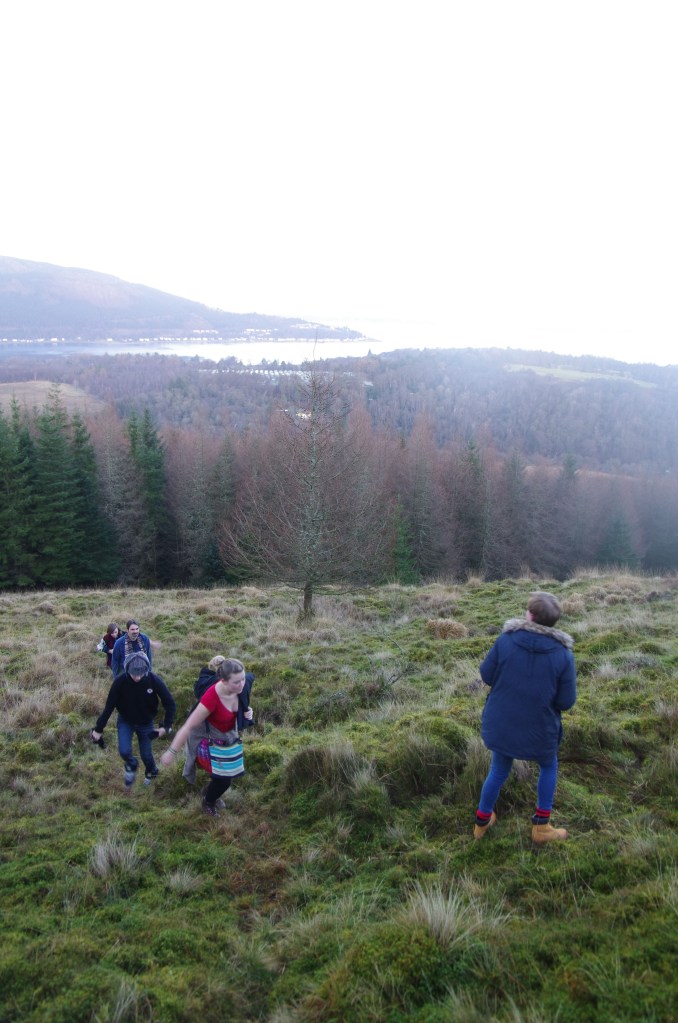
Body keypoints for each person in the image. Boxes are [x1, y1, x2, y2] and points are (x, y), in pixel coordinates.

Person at [473, 591, 577, 845]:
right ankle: (541, 827)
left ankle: (481, 823)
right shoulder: (564, 655)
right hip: (540, 729)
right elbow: (566, 702)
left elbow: (486, 675)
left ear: (529, 615)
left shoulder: (506, 640)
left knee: (499, 769)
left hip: (502, 723)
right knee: (548, 766)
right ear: (553, 622)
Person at [161, 658, 253, 816]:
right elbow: (188, 726)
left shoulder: (242, 686)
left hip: (227, 738)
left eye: (243, 679)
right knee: (224, 779)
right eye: (237, 682)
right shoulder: (211, 698)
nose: (242, 684)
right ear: (223, 681)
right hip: (205, 740)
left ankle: (210, 791)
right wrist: (171, 752)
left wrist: (248, 712)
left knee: (225, 774)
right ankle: (208, 802)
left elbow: (244, 701)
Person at [91, 651, 176, 787]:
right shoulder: (119, 682)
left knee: (146, 755)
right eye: (134, 674)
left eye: (141, 674)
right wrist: (98, 729)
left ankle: (152, 771)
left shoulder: (153, 680)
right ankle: (131, 764)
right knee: (124, 751)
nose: (137, 677)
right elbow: (109, 707)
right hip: (126, 721)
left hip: (146, 722)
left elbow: (170, 703)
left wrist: (166, 726)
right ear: (127, 670)